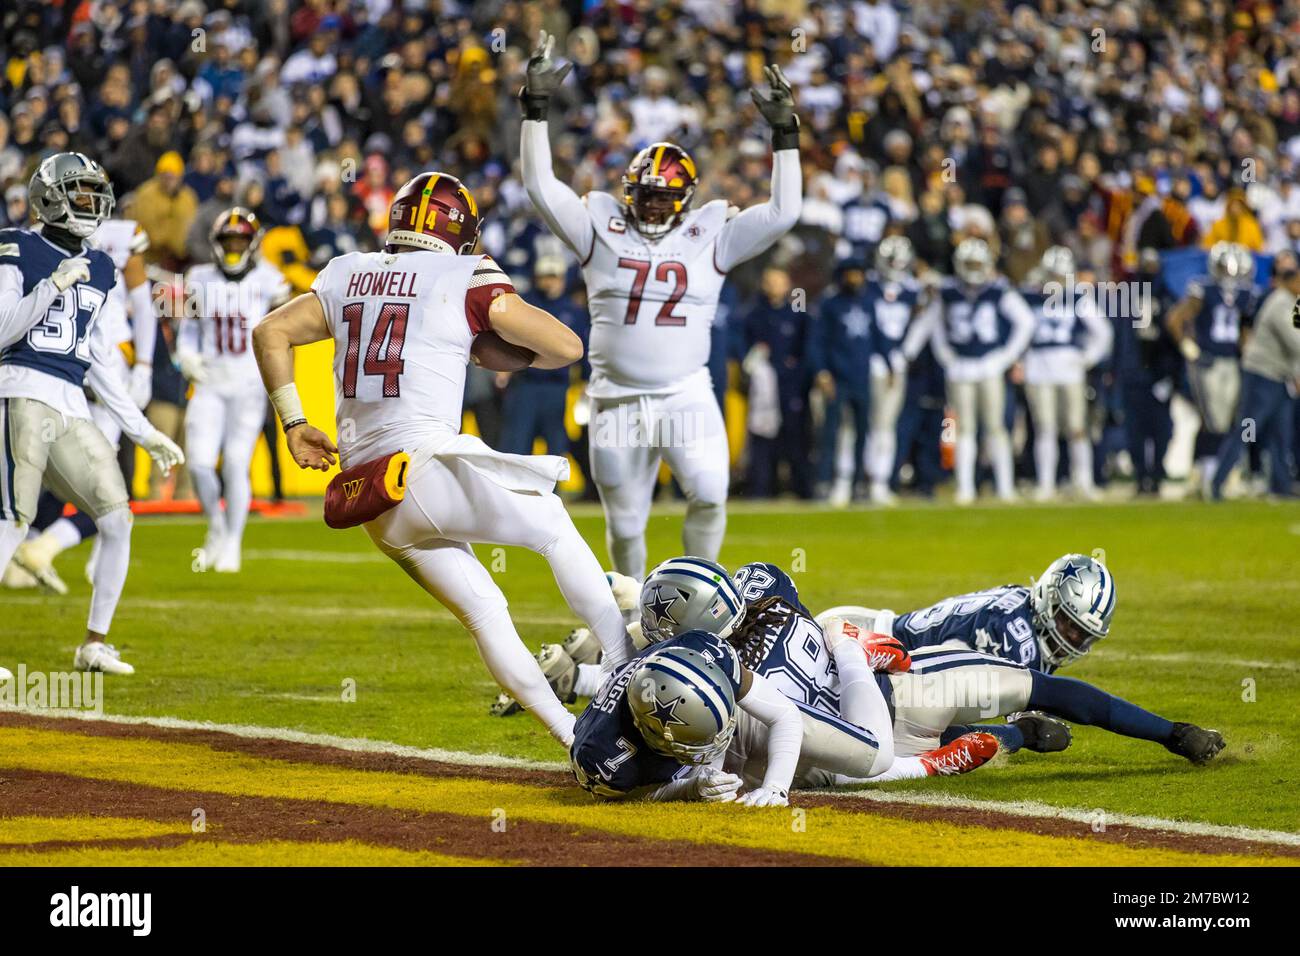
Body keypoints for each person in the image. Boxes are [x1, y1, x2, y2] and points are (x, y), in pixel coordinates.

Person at [251, 171, 633, 746]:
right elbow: (566, 347)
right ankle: (627, 670)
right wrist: (490, 346)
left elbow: (269, 332)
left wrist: (297, 424)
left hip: (372, 500)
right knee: (551, 524)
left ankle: (575, 739)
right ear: (461, 231)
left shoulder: (346, 271)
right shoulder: (465, 272)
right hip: (422, 465)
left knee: (484, 611)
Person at [520, 33, 802, 578]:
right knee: (625, 526)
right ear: (628, 194)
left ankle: (697, 603)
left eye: (663, 198)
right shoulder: (598, 223)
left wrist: (784, 134)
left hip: (684, 394)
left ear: (685, 202)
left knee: (711, 495)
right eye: (644, 195)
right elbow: (539, 184)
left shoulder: (711, 231)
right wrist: (536, 109)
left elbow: (783, 212)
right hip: (614, 400)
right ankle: (630, 614)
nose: (652, 206)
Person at [0, 152, 184, 674]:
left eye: (94, 193)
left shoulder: (102, 266)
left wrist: (143, 430)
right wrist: (52, 286)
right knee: (14, 519)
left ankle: (94, 644)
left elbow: (98, 359)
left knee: (118, 517)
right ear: (49, 198)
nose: (91, 203)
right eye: (80, 193)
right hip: (20, 389)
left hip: (70, 402)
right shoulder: (16, 246)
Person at [178, 208, 292, 571]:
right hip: (210, 382)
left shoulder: (270, 280)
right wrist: (186, 355)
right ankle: (216, 527)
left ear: (253, 244)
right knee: (198, 463)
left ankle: (233, 543)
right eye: (228, 240)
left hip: (248, 384)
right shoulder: (198, 278)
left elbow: (283, 337)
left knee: (237, 464)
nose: (233, 247)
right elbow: (189, 329)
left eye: (240, 240)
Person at [924, 236, 1035, 503]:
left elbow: (1026, 322)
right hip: (961, 367)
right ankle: (965, 487)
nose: (973, 269)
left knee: (996, 427)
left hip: (989, 365)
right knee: (963, 429)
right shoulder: (948, 291)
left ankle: (1005, 487)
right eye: (969, 263)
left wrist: (1005, 357)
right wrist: (945, 356)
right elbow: (934, 326)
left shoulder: (998, 290)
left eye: (977, 263)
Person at [1165, 241, 1259, 496]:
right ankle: (1207, 473)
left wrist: (1247, 352)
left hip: (1234, 361)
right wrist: (1189, 348)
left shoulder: (1247, 294)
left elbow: (1246, 329)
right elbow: (1175, 318)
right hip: (1208, 361)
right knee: (1214, 420)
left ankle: (1231, 472)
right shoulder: (1202, 289)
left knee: (1238, 421)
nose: (1231, 275)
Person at [1020, 246, 1112, 500]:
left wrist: (1086, 359)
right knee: (1045, 428)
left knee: (1077, 428)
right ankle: (1046, 484)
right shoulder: (1031, 295)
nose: (1057, 280)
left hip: (1069, 369)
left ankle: (1083, 481)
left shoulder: (1077, 297)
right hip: (1038, 368)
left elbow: (1102, 332)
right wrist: (1021, 359)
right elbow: (1019, 332)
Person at [1210, 266, 1300, 498]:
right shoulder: (1280, 302)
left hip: (1279, 378)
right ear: (1291, 280)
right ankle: (1218, 481)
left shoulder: (1289, 302)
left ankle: (1281, 486)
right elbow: (1295, 341)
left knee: (1281, 433)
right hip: (1262, 377)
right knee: (1247, 430)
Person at [498, 255, 585, 457]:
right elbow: (508, 338)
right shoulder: (526, 303)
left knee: (556, 445)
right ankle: (515, 489)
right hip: (526, 383)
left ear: (562, 278)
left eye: (553, 276)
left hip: (557, 387)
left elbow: (585, 349)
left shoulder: (572, 310)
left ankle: (554, 489)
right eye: (545, 276)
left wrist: (587, 380)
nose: (549, 281)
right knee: (517, 444)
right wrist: (504, 368)